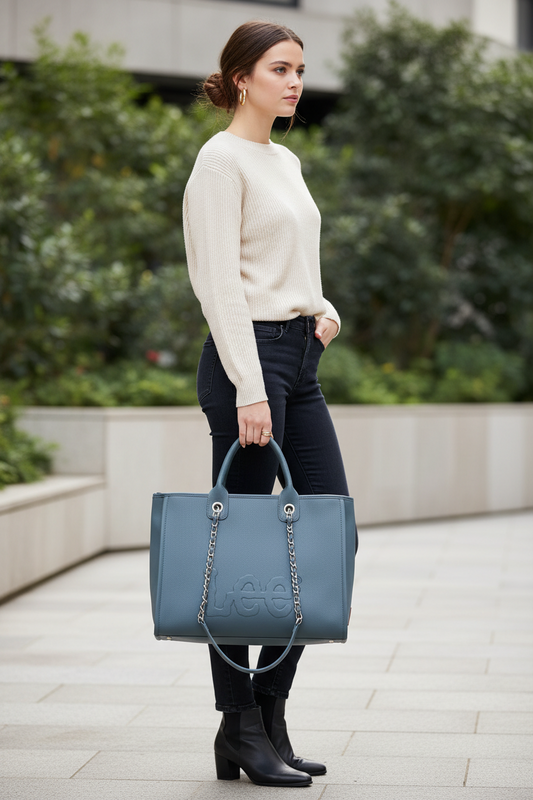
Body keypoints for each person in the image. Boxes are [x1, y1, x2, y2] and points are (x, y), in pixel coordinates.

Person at [183, 19, 349, 788]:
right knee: (245, 551)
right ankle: (238, 730)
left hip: (297, 357)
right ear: (240, 77)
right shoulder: (219, 163)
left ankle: (268, 714)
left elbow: (289, 259)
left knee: (329, 534)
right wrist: (250, 387)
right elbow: (219, 283)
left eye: (300, 69)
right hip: (244, 363)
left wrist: (323, 311)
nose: (294, 81)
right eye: (279, 68)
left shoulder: (283, 159)